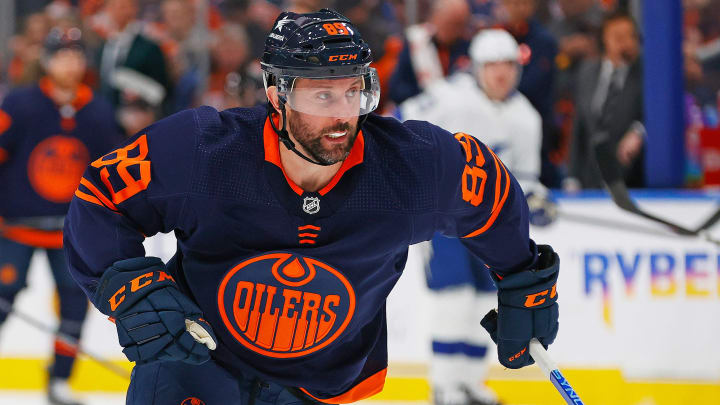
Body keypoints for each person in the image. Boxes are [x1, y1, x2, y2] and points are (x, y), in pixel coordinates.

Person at [63, 9, 560, 405]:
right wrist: (130, 287)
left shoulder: (410, 167)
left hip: (314, 386)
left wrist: (522, 277)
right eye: (322, 94)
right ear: (275, 92)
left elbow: (487, 187)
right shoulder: (203, 152)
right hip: (196, 364)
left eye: (353, 91)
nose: (343, 114)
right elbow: (101, 196)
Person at [398, 28, 556, 405]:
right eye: (493, 66)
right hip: (444, 221)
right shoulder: (449, 97)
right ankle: (444, 386)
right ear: (478, 69)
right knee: (452, 301)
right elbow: (400, 124)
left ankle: (469, 383)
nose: (501, 74)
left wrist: (537, 199)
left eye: (508, 66)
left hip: (492, 227)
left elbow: (527, 177)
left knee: (484, 302)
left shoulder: (526, 117)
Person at [0, 27, 123, 405]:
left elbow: (111, 174)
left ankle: (59, 379)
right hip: (17, 229)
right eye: (61, 56)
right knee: (2, 298)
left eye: (76, 55)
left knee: (74, 305)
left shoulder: (100, 112)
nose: (69, 63)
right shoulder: (18, 105)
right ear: (47, 60)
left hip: (71, 232)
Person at [565, 10, 644, 190]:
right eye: (618, 37)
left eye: (630, 36)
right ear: (604, 40)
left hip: (631, 181)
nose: (626, 43)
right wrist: (572, 176)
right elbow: (579, 128)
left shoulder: (646, 77)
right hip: (590, 180)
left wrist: (640, 131)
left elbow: (657, 116)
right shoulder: (587, 72)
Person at [388, 0, 472, 105]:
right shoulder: (416, 43)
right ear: (435, 18)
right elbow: (397, 89)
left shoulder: (468, 47)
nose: (454, 29)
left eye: (459, 24)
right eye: (449, 23)